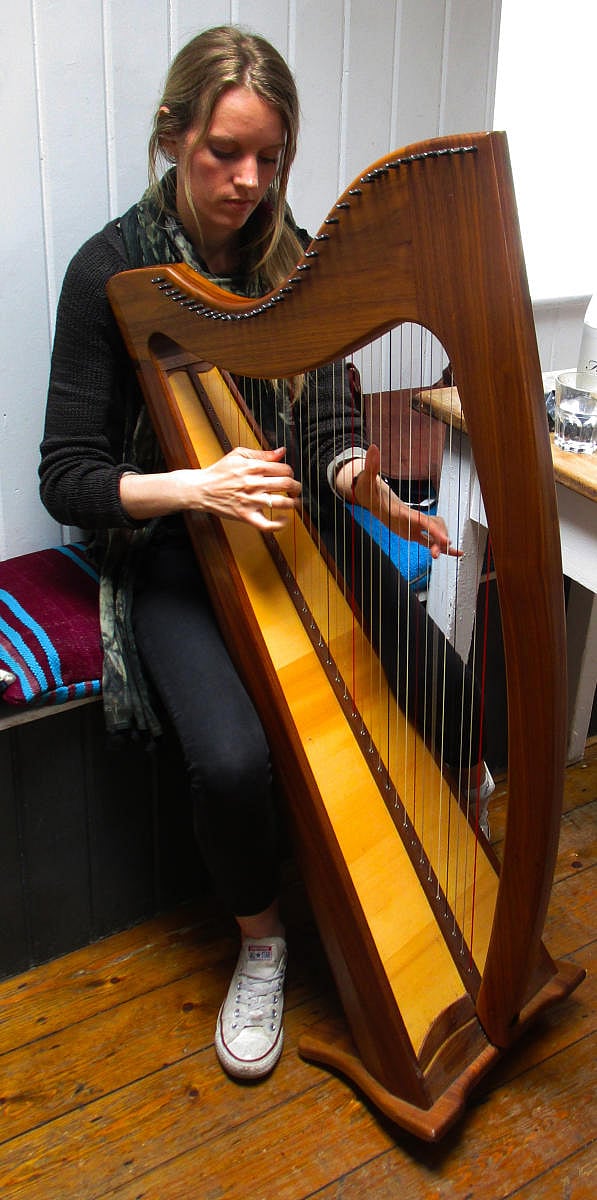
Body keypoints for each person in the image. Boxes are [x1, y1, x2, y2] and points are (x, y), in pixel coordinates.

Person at [39, 26, 494, 1083]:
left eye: (271, 157)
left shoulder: (291, 260)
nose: (249, 181)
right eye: (225, 153)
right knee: (233, 760)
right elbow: (68, 477)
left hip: (294, 528)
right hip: (171, 546)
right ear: (173, 136)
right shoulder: (109, 271)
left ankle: (454, 872)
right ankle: (261, 942)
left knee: (445, 682)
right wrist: (198, 486)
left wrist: (366, 486)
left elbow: (328, 430)